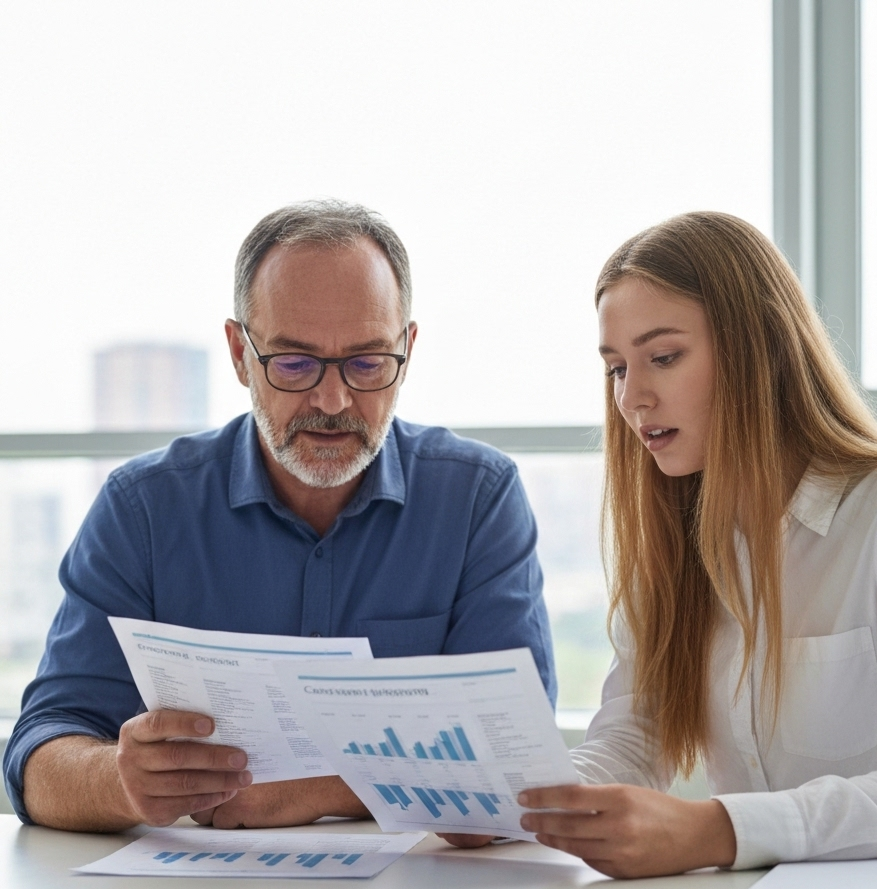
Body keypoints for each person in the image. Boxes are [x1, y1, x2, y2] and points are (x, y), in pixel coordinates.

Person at [3, 200, 555, 831]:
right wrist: (119, 782)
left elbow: (517, 769)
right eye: (293, 363)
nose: (332, 399)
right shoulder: (144, 508)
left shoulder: (476, 498)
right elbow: (40, 755)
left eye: (368, 363)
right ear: (240, 354)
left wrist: (310, 789)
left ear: (407, 350)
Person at [515, 211, 877, 878]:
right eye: (616, 369)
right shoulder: (672, 540)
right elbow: (628, 743)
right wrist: (514, 803)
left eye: (662, 358)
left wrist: (718, 829)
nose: (633, 398)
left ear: (760, 347)